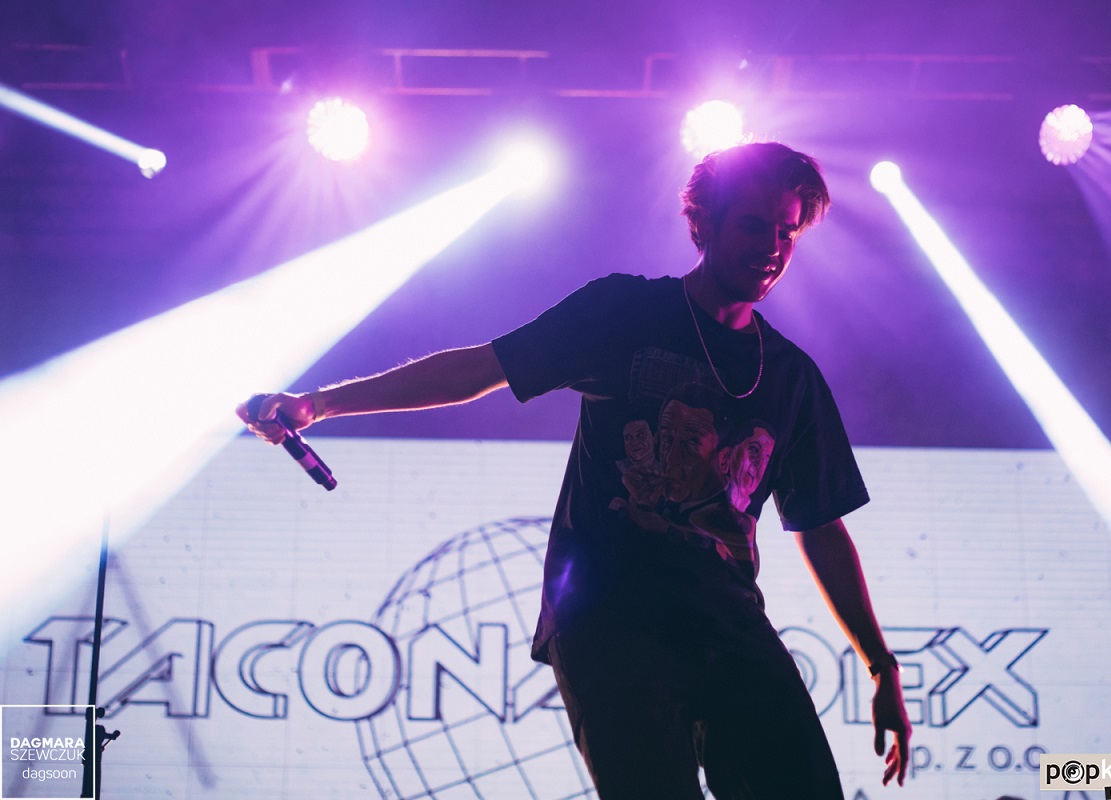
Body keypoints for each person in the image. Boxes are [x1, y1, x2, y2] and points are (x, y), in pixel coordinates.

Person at [238, 141, 911, 798]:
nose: (773, 247)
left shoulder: (792, 377)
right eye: (754, 225)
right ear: (704, 222)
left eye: (788, 233)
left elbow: (820, 525)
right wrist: (317, 404)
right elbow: (479, 369)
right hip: (610, 618)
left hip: (727, 623)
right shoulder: (626, 312)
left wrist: (881, 667)